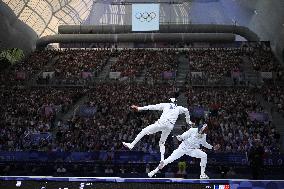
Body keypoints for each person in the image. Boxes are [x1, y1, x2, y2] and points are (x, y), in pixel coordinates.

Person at [122, 98, 193, 161]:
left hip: (161, 123)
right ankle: (162, 160)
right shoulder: (179, 107)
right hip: (169, 126)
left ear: (169, 102)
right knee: (162, 143)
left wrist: (139, 108)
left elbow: (152, 107)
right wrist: (188, 121)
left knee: (144, 131)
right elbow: (186, 110)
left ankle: (132, 145)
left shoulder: (166, 105)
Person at [148, 124, 220, 179]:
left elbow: (204, 144)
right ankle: (154, 171)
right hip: (182, 149)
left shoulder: (204, 135)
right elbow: (183, 136)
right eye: (202, 130)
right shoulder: (192, 130)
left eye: (204, 131)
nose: (202, 132)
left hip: (192, 150)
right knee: (169, 160)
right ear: (199, 129)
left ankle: (202, 174)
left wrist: (212, 148)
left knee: (204, 155)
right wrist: (180, 137)